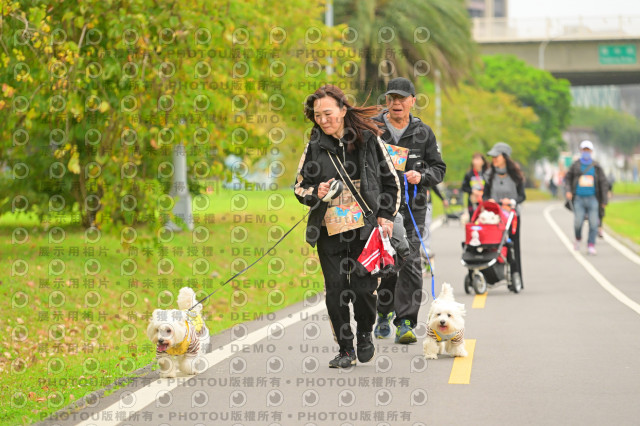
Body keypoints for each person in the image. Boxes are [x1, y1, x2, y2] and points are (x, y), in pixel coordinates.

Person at [294, 84, 401, 368]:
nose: (322, 119)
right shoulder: (314, 145)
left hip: (365, 228)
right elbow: (299, 186)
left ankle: (365, 333)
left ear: (343, 110)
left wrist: (386, 216)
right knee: (336, 290)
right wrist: (316, 191)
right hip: (329, 230)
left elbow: (391, 180)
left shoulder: (369, 139)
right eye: (317, 115)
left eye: (327, 113)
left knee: (364, 288)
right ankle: (345, 349)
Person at [372, 77, 446, 342]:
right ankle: (383, 313)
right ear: (387, 101)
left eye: (402, 99)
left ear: (412, 101)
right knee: (387, 264)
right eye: (392, 98)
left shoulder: (423, 132)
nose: (397, 103)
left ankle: (405, 322)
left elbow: (439, 168)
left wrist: (421, 176)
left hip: (414, 209)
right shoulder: (373, 129)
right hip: (381, 209)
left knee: (411, 262)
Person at [482, 142, 526, 284]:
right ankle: (490, 276)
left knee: (513, 246)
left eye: (497, 156)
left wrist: (511, 201)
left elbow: (522, 196)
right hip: (494, 217)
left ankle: (515, 276)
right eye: (493, 156)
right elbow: (485, 195)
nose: (494, 159)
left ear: (505, 157)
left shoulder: (516, 175)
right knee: (490, 244)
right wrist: (488, 201)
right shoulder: (489, 174)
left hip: (512, 216)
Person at [564, 140, 608, 255]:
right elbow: (567, 178)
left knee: (594, 224)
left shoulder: (596, 167)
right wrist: (568, 190)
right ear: (581, 151)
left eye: (588, 150)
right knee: (578, 222)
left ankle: (591, 244)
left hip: (593, 198)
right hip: (579, 198)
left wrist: (604, 200)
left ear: (591, 151)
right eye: (584, 150)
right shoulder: (575, 165)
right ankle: (578, 238)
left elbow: (603, 183)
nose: (586, 152)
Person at [461, 153, 487, 217]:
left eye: (478, 159)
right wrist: (472, 191)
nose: (475, 161)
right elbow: (464, 187)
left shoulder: (487, 173)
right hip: (472, 202)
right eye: (474, 159)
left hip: (484, 200)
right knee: (473, 218)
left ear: (483, 162)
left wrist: (483, 193)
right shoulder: (469, 174)